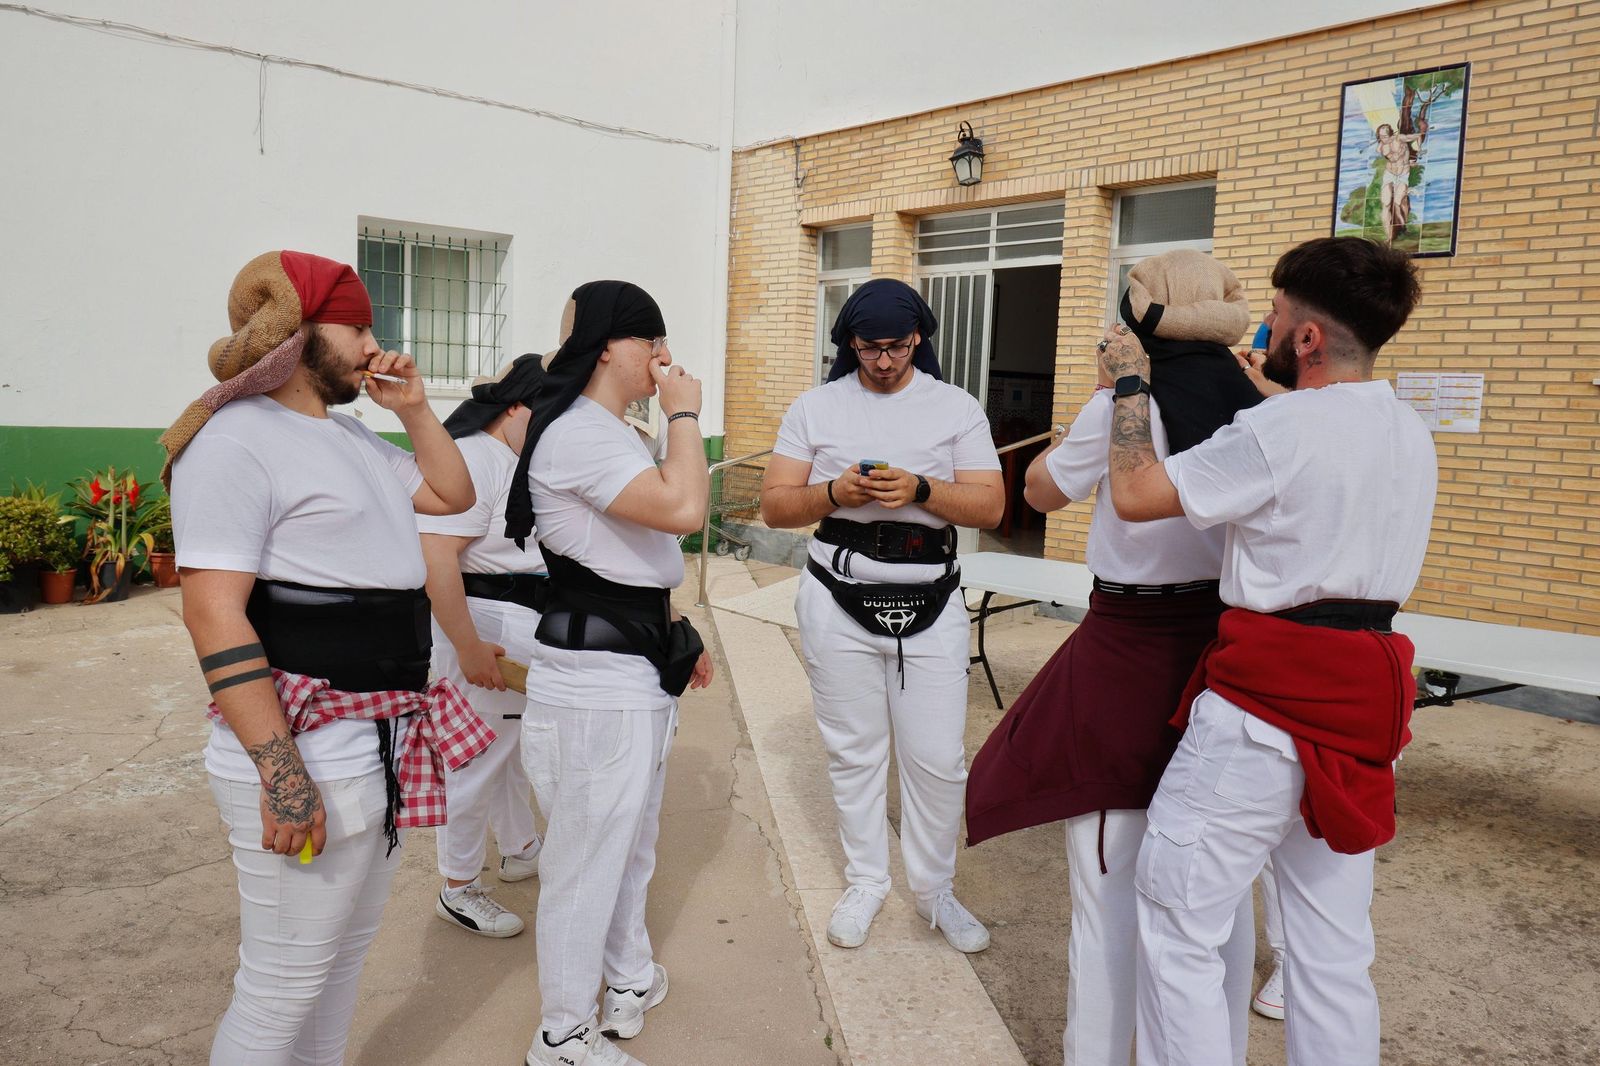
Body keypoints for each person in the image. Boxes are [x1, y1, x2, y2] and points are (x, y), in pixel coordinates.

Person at [1097, 236, 1432, 1066]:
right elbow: (1309, 436)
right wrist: (1263, 387)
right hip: (1360, 708)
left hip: (1261, 712)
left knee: (1177, 923)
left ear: (1309, 339)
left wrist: (1129, 381)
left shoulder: (1279, 428)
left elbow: (1139, 494)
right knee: (1331, 948)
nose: (1264, 332)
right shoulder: (1407, 430)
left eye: (1278, 318)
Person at [162, 249, 489, 1065]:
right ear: (299, 331)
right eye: (357, 325)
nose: (373, 344)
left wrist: (415, 410)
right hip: (307, 747)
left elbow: (454, 496)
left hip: (381, 739)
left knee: (338, 972)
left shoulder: (351, 436)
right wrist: (283, 775)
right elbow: (211, 610)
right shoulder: (235, 438)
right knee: (279, 989)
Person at [965, 250, 1261, 1066]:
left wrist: (1105, 396)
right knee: (1221, 891)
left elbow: (1037, 492)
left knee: (1108, 884)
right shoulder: (1263, 408)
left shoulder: (1127, 403)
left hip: (1129, 649)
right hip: (1227, 652)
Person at [761, 278, 1005, 955]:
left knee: (936, 758)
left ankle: (934, 890)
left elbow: (990, 507)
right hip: (836, 596)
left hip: (931, 596)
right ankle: (867, 881)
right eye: (869, 348)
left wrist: (922, 490)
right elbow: (775, 506)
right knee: (854, 752)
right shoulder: (815, 407)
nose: (884, 361)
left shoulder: (955, 407)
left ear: (918, 338)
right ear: (849, 345)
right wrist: (836, 491)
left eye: (897, 347)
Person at [507, 281, 713, 1066]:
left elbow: (642, 559)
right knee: (584, 866)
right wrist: (685, 413)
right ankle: (562, 1034)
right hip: (597, 689)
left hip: (625, 669)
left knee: (625, 847)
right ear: (609, 347)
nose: (665, 357)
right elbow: (686, 510)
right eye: (651, 341)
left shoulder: (604, 429)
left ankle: (626, 980)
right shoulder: (581, 435)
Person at [422, 354, 558, 938]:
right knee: (476, 759)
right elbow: (437, 560)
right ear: (515, 406)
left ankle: (521, 846)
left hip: (511, 618)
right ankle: (457, 886)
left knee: (501, 749)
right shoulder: (477, 457)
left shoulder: (504, 456)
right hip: (486, 622)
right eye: (546, 409)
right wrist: (470, 645)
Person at [1376, 123, 1423, 242]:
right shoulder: (1381, 147)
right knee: (1386, 204)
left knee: (1397, 202)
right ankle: (1389, 236)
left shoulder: (1400, 138)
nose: (1383, 139)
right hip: (1389, 174)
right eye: (1380, 136)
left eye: (1385, 136)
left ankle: (1401, 228)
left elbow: (1418, 136)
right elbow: (1393, 158)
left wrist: (1419, 149)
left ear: (1391, 134)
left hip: (1402, 175)